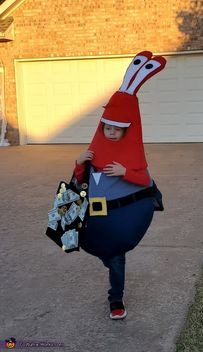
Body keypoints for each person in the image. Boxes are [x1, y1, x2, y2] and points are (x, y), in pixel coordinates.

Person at [74, 51, 167, 320]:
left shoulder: (132, 160)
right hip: (93, 221)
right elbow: (79, 182)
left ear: (128, 130)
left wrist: (126, 171)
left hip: (117, 222)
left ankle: (116, 299)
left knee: (115, 258)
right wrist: (79, 163)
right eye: (107, 128)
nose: (111, 132)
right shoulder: (94, 153)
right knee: (101, 252)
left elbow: (146, 183)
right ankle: (107, 257)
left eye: (117, 129)